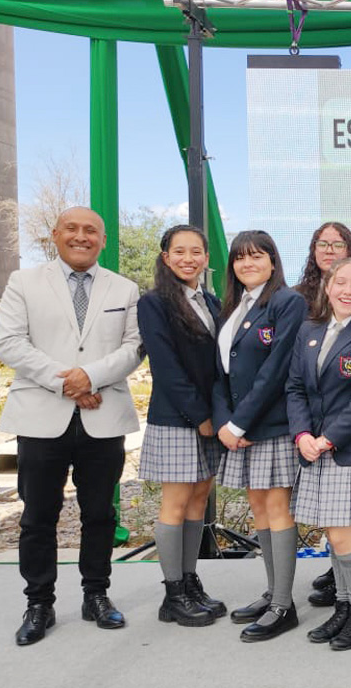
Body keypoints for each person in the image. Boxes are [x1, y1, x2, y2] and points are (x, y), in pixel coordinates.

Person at [0, 206, 143, 646]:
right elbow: (10, 342)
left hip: (103, 418)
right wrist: (69, 382)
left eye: (91, 231)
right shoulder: (24, 282)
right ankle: (39, 602)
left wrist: (91, 377)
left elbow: (135, 347)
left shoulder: (125, 288)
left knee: (100, 513)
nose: (82, 236)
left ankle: (96, 595)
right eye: (73, 229)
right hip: (42, 417)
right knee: (39, 515)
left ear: (102, 240)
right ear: (55, 235)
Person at [287, 257, 351, 651]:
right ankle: (346, 607)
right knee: (335, 534)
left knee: (347, 537)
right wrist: (301, 435)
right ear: (327, 288)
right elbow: (295, 388)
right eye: (340, 282)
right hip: (313, 448)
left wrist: (327, 439)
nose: (347, 290)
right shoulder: (308, 330)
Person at [213, 230, 307, 642]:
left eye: (257, 256)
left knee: (277, 508)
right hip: (239, 428)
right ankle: (273, 592)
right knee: (259, 509)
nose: (247, 264)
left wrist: (239, 424)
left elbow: (276, 371)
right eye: (240, 258)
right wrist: (223, 421)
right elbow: (219, 372)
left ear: (273, 261)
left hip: (270, 426)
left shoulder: (288, 302)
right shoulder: (232, 308)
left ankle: (284, 606)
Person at [137, 224, 226, 628]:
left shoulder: (211, 300)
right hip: (178, 419)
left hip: (210, 418)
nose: (188, 258)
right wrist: (201, 416)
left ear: (206, 258)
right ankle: (173, 593)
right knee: (174, 503)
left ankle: (190, 581)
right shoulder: (154, 303)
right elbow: (167, 368)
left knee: (198, 500)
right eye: (179, 251)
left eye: (196, 252)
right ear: (165, 257)